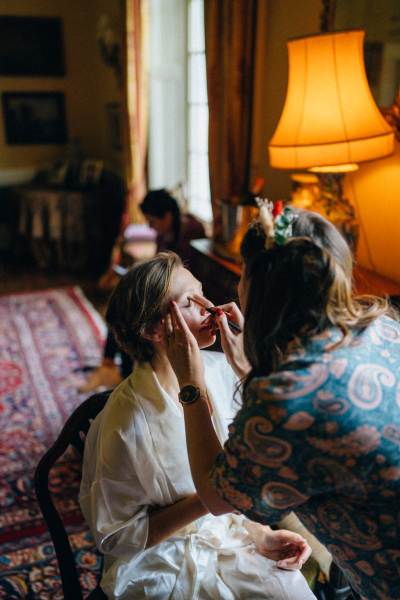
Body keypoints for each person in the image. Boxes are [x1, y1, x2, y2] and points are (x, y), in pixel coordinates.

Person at [164, 204, 400, 600]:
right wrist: (257, 371)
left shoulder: (287, 402)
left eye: (243, 276)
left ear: (259, 293)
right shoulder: (380, 323)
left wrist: (191, 383)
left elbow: (216, 495)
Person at [79, 252, 315, 600]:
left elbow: (250, 466)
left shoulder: (221, 370)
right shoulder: (124, 423)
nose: (211, 307)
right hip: (159, 562)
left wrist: (260, 533)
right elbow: (118, 537)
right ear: (152, 329)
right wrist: (212, 497)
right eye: (191, 302)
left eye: (204, 294)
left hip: (230, 537)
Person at [79, 188, 206, 392]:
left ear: (167, 216)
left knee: (135, 319)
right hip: (165, 291)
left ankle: (119, 371)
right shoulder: (164, 235)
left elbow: (183, 277)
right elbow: (157, 269)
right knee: (123, 308)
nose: (150, 227)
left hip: (174, 296)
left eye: (152, 221)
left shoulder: (192, 232)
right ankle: (113, 368)